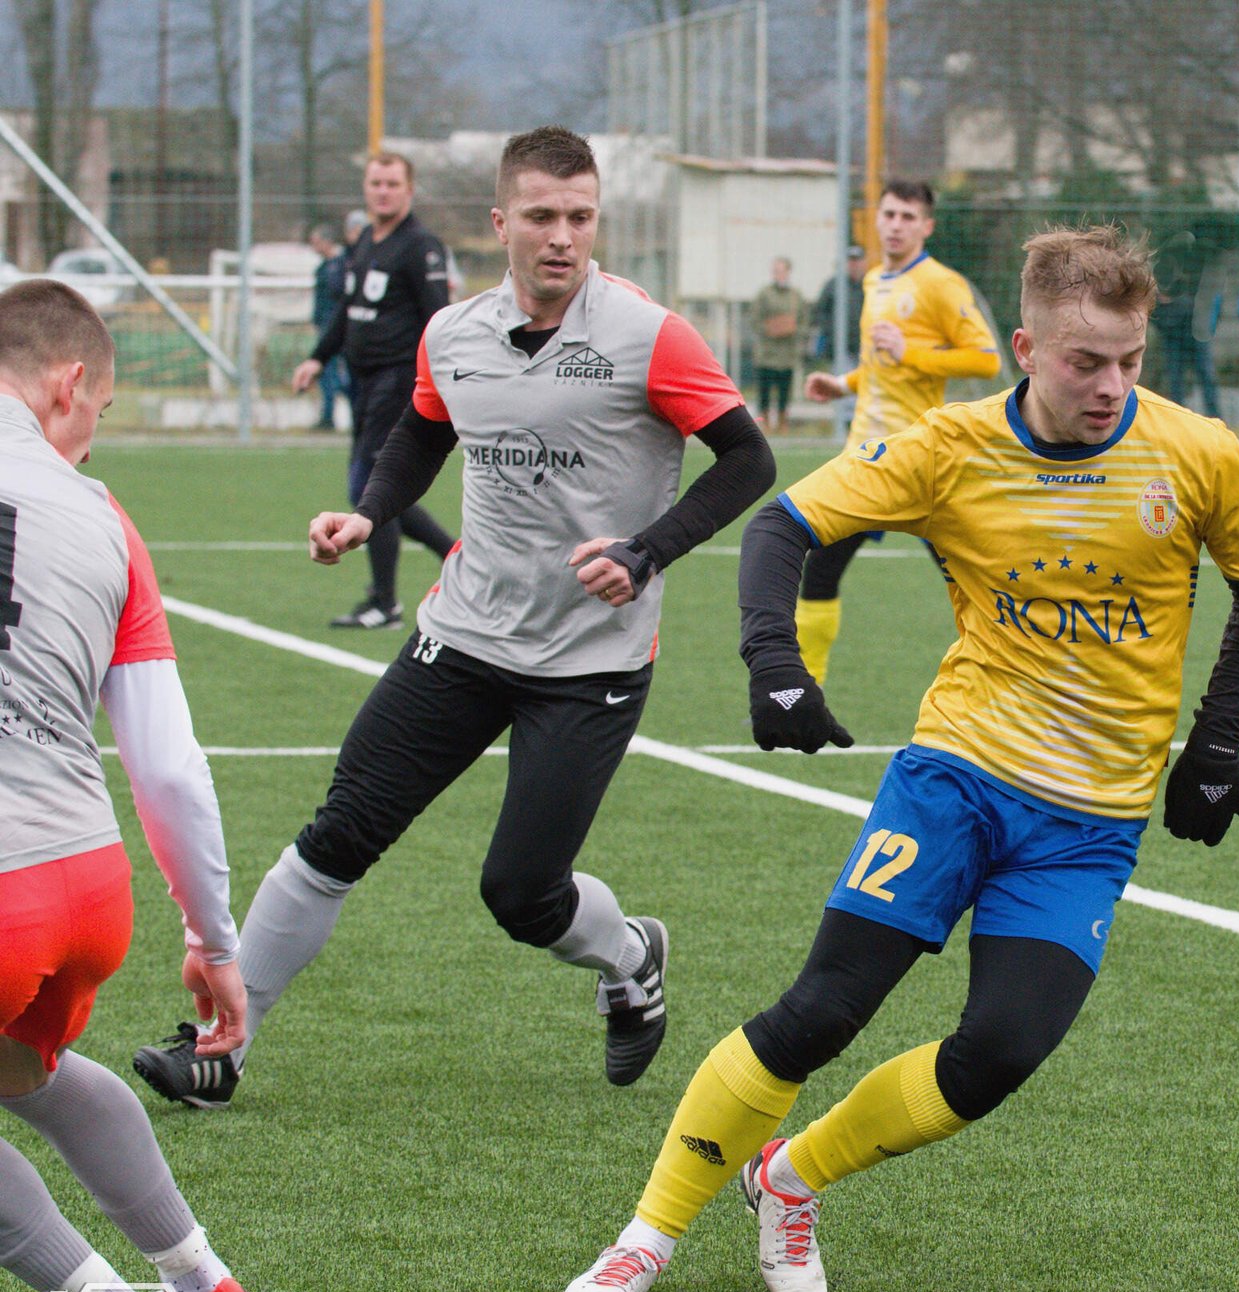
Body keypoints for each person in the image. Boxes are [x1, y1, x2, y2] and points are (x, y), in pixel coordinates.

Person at [561, 224, 1239, 1292]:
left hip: (1092, 822)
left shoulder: (1198, 452)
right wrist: (775, 668)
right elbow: (781, 528)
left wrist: (1217, 743)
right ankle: (647, 1235)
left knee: (999, 1052)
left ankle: (790, 1178)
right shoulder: (950, 447)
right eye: (1085, 361)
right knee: (821, 1012)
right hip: (959, 776)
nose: (1110, 386)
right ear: (1025, 349)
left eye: (1130, 360)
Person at [132, 126, 775, 1109]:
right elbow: (421, 434)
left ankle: (630, 954)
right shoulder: (453, 335)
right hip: (462, 636)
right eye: (542, 216)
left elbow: (748, 459)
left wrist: (647, 551)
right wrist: (369, 512)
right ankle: (222, 1046)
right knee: (339, 833)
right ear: (500, 221)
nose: (562, 236)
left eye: (581, 217)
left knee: (521, 893)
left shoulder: (649, 335)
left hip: (589, 663)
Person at [0, 280, 265, 1292]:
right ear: (69, 384)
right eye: (100, 414)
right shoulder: (104, 516)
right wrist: (212, 939)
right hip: (84, 883)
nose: (90, 436)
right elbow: (165, 765)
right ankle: (203, 1283)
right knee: (26, 1069)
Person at [796, 182, 1001, 683]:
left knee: (973, 585)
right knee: (819, 570)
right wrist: (843, 384)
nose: (895, 225)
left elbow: (986, 359)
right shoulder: (874, 280)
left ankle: (1005, 682)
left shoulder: (940, 284)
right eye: (888, 214)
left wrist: (912, 352)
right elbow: (881, 364)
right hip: (865, 458)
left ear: (926, 226)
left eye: (908, 217)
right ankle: (803, 690)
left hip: (920, 461)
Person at [292, 153, 456, 630]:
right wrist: (317, 357)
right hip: (363, 382)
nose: (383, 191)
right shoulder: (366, 239)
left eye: (392, 184)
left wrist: (442, 379)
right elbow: (348, 309)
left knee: (369, 488)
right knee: (379, 490)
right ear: (366, 188)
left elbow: (439, 320)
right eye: (376, 183)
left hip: (399, 381)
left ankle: (385, 602)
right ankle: (455, 557)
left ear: (409, 190)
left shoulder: (421, 246)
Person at [749, 257, 805, 433]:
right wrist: (770, 328)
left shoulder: (795, 295)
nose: (779, 274)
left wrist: (793, 328)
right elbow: (754, 319)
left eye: (782, 270)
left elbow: (803, 320)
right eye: (776, 271)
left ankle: (782, 422)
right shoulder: (764, 294)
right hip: (767, 352)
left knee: (784, 391)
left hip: (787, 353)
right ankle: (765, 421)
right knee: (764, 390)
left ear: (788, 272)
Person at [306, 223, 350, 431]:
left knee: (334, 374)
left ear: (326, 241)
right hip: (325, 326)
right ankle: (328, 416)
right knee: (327, 374)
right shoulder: (324, 267)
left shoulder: (339, 266)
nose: (313, 246)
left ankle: (332, 416)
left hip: (336, 329)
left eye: (316, 242)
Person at [1152, 288, 1221, 417]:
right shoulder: (1156, 305)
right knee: (1175, 380)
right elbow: (1157, 320)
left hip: (1196, 340)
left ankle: (1215, 416)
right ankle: (1179, 416)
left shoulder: (1188, 295)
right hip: (1172, 341)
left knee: (1207, 377)